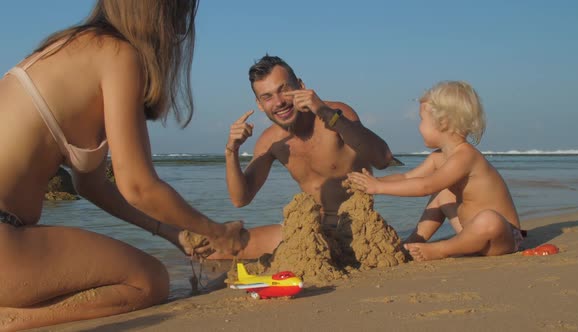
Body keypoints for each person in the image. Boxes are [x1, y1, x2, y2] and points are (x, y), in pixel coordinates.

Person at [0, 0, 245, 329]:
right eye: (181, 14)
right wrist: (216, 232)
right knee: (148, 281)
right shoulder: (119, 55)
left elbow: (91, 184)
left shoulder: (66, 49)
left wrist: (174, 233)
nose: (182, 29)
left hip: (9, 236)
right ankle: (11, 320)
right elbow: (140, 187)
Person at [218, 55, 395, 259]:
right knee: (224, 247)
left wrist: (326, 113)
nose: (278, 102)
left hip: (355, 229)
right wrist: (231, 151)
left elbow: (383, 158)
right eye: (267, 97)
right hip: (311, 230)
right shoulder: (270, 141)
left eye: (284, 89)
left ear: (301, 86)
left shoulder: (336, 114)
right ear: (259, 104)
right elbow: (241, 199)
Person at [347, 81, 524, 262]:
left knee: (488, 219)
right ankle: (414, 241)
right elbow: (407, 177)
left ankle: (441, 249)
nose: (419, 126)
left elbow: (426, 186)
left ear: (443, 123)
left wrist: (378, 188)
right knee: (444, 194)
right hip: (468, 233)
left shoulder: (465, 156)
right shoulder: (437, 158)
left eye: (422, 119)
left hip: (500, 237)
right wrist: (374, 181)